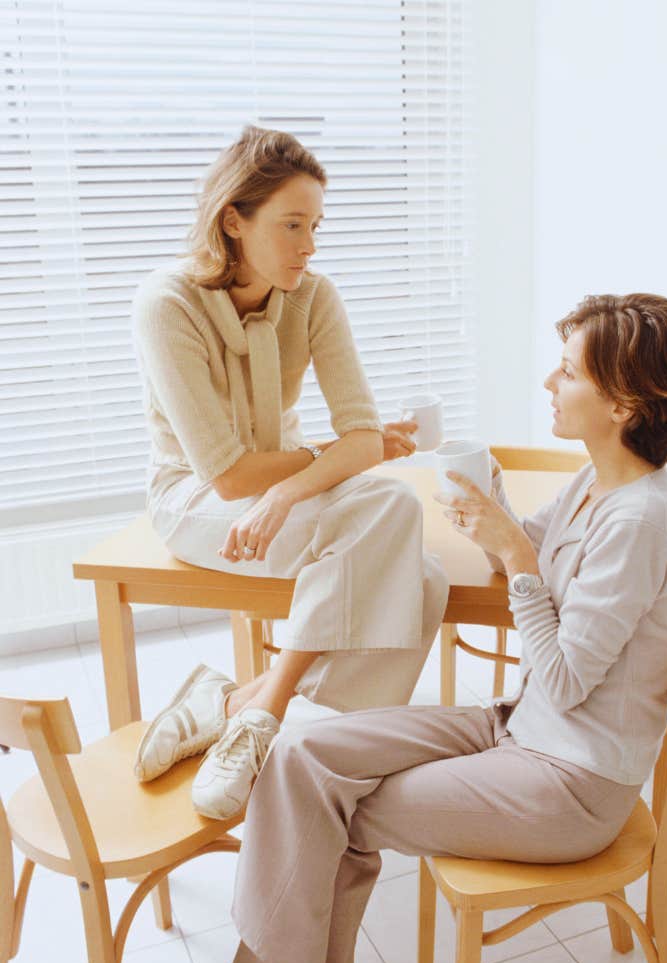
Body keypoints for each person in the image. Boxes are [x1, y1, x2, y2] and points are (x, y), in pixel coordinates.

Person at [225, 293, 667, 963]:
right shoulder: (597, 481)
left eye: (569, 372)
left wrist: (515, 554)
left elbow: (569, 676)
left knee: (331, 810)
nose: (550, 383)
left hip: (572, 781)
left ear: (624, 405)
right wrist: (496, 518)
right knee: (302, 756)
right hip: (523, 723)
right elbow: (532, 549)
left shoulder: (644, 521)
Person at [130, 125, 449, 820]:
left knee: (423, 579)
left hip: (288, 499)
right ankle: (279, 729)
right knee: (393, 519)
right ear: (234, 221)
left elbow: (363, 437)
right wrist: (308, 468)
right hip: (193, 501)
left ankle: (247, 704)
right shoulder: (167, 304)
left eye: (316, 226)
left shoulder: (314, 295)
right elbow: (228, 476)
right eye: (293, 225)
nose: (309, 245)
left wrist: (288, 489)